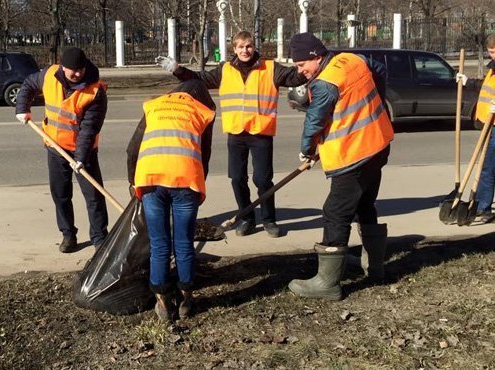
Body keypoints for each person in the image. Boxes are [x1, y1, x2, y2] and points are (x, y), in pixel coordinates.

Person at [155, 30, 307, 238]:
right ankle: (246, 218)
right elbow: (199, 79)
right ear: (234, 49)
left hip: (260, 132)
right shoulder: (225, 69)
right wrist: (177, 69)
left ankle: (269, 219)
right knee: (237, 178)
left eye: (249, 46)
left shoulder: (269, 67)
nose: (245, 51)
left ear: (254, 47)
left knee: (263, 180)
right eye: (241, 47)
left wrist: (309, 63)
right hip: (236, 133)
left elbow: (294, 77)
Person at [286, 32, 394, 300]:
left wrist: (306, 151)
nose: (301, 72)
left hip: (355, 155)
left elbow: (314, 122)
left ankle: (328, 283)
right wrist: (375, 102)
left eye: (302, 66)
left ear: (316, 56)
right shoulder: (350, 59)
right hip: (378, 144)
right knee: (364, 205)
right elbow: (380, 69)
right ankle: (375, 267)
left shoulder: (324, 84)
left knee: (335, 212)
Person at [126, 80, 216, 321]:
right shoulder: (203, 111)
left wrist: (132, 181)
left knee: (159, 244)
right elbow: (204, 154)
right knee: (184, 243)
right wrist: (198, 185)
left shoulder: (154, 106)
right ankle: (186, 299)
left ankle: (164, 303)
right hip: (186, 180)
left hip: (151, 179)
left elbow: (132, 148)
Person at [15, 47, 109, 253]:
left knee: (94, 196)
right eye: (72, 70)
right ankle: (68, 235)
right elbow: (29, 84)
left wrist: (81, 158)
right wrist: (22, 107)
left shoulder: (95, 92)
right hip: (54, 147)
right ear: (62, 67)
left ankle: (100, 237)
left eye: (80, 70)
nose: (77, 74)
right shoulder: (49, 75)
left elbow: (89, 129)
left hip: (84, 153)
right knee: (61, 194)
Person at [456, 33, 495, 223]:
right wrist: (467, 81)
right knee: (487, 165)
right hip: (488, 123)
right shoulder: (492, 69)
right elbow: (484, 86)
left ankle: (483, 207)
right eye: (490, 51)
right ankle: (482, 204)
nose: (492, 55)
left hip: (494, 126)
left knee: (486, 167)